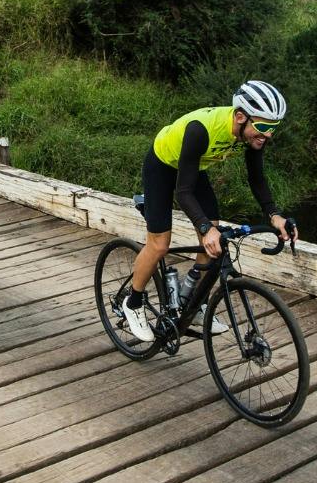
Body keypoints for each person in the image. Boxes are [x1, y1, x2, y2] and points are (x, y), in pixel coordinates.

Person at [118, 79, 298, 342]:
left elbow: (256, 178)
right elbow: (183, 192)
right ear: (240, 117)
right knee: (159, 245)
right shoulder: (201, 130)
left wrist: (275, 215)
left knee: (214, 238)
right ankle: (132, 302)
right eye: (263, 127)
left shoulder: (254, 135)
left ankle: (192, 299)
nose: (268, 134)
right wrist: (204, 228)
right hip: (164, 165)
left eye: (273, 127)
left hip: (193, 170)